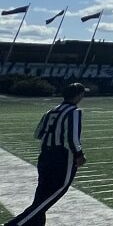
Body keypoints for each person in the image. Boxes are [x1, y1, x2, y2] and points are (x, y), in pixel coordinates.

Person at [5, 83, 87, 226]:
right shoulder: (74, 112)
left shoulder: (51, 111)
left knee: (42, 195)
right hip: (62, 157)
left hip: (45, 156)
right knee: (56, 192)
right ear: (78, 95)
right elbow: (73, 138)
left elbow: (38, 134)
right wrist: (79, 155)